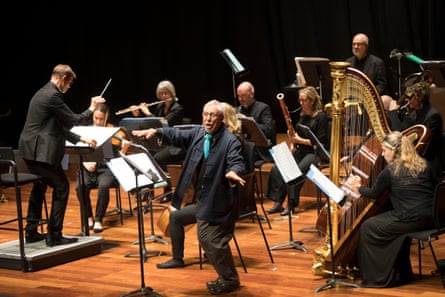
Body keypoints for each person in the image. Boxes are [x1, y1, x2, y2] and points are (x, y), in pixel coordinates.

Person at [132, 100, 246, 295]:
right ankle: (220, 275)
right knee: (198, 233)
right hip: (203, 200)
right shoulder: (199, 134)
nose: (208, 119)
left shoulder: (230, 141)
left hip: (219, 201)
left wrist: (234, 172)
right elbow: (177, 134)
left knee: (211, 239)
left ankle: (230, 279)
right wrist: (157, 132)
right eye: (205, 114)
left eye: (213, 116)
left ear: (221, 119)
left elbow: (236, 160)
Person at [18, 64, 104, 246]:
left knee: (39, 186)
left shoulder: (43, 92)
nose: (69, 87)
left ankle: (31, 232)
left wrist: (81, 138)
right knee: (62, 187)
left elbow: (58, 127)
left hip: (30, 150)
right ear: (64, 78)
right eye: (70, 83)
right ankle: (54, 235)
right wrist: (92, 107)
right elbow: (73, 120)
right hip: (39, 151)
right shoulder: (53, 96)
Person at [345, 131, 435, 287]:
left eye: (385, 149)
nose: (382, 153)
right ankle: (402, 272)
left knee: (368, 226)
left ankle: (376, 278)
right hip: (432, 218)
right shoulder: (424, 164)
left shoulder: (390, 171)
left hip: (411, 219)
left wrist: (358, 187)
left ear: (395, 150)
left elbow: (373, 194)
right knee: (386, 223)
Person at [265, 86, 328, 216]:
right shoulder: (303, 115)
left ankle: (291, 204)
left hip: (315, 154)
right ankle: (278, 202)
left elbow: (320, 143)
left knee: (296, 171)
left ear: (312, 101)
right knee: (278, 168)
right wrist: (292, 142)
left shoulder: (321, 117)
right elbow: (297, 135)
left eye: (304, 100)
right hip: (301, 151)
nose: (301, 103)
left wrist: (299, 140)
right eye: (300, 100)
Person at [75, 103, 127, 233]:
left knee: (104, 186)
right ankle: (88, 217)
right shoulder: (86, 131)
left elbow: (111, 157)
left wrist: (124, 149)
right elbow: (78, 151)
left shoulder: (110, 132)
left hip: (106, 169)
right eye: (96, 118)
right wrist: (84, 163)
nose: (98, 122)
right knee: (80, 186)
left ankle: (98, 219)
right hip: (87, 168)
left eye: (101, 119)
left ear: (106, 117)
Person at [131, 80, 185, 203]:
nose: (163, 96)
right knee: (146, 155)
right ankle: (148, 190)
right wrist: (138, 114)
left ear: (172, 93)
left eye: (166, 93)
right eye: (161, 94)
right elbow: (150, 125)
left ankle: (168, 191)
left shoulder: (177, 109)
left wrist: (148, 112)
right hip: (163, 144)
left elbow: (162, 125)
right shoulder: (160, 107)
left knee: (159, 158)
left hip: (176, 145)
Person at [387, 77, 443, 181]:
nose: (406, 100)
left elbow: (415, 142)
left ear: (420, 98)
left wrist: (393, 113)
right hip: (416, 159)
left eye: (409, 97)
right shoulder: (414, 113)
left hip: (428, 162)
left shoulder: (432, 116)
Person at [346, 33, 395, 111]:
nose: (355, 47)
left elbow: (382, 85)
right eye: (354, 44)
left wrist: (368, 96)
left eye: (358, 44)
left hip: (371, 100)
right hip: (353, 99)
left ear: (365, 46)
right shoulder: (348, 62)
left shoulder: (377, 63)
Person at [236, 81, 275, 160]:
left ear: (252, 94)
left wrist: (253, 124)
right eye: (238, 96)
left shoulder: (263, 108)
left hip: (258, 149)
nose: (240, 99)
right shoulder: (237, 110)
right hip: (241, 147)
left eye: (243, 95)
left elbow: (268, 130)